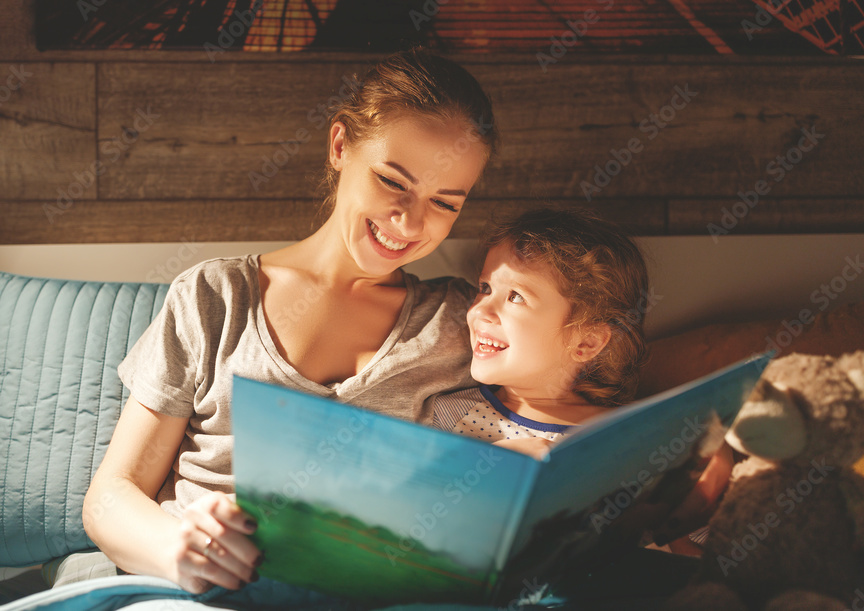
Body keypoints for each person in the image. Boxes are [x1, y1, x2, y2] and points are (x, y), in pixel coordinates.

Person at [82, 47, 499, 596]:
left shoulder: (462, 322)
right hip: (203, 590)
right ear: (340, 145)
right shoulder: (216, 296)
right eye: (394, 182)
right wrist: (171, 547)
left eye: (445, 203)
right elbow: (113, 493)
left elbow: (588, 374)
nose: (411, 221)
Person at [428, 208, 649, 460]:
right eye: (485, 288)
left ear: (586, 342)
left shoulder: (633, 429)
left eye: (516, 296)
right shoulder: (449, 417)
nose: (481, 310)